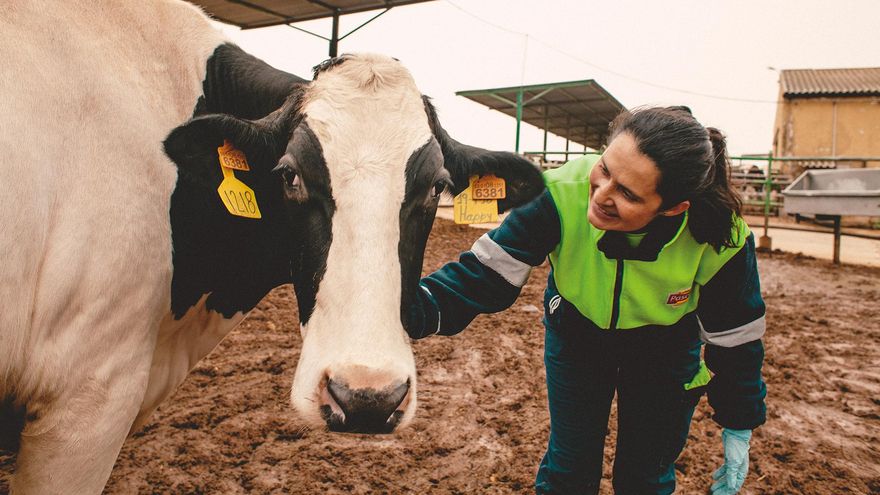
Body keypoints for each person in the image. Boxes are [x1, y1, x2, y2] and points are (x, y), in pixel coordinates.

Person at [405, 106, 767, 495]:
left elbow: (736, 335)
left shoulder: (720, 236)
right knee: (569, 471)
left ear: (674, 207)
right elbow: (488, 272)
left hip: (664, 351)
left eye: (627, 193)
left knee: (645, 477)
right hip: (577, 339)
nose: (601, 194)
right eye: (606, 169)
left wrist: (739, 421)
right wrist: (415, 307)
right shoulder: (560, 193)